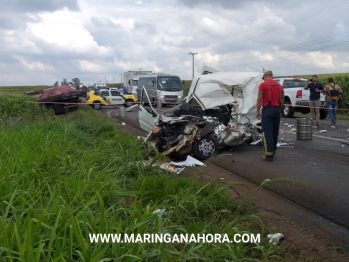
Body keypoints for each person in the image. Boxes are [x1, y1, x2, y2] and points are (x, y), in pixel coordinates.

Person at [256, 70, 284, 161]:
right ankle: (273, 151)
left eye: (263, 77)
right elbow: (282, 100)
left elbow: (260, 99)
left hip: (268, 109)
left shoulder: (263, 85)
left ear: (266, 75)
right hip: (277, 110)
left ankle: (268, 155)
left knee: (267, 132)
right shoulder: (279, 86)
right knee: (274, 132)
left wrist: (257, 111)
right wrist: (280, 110)